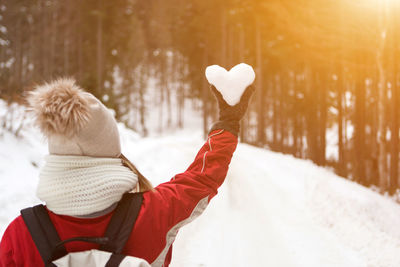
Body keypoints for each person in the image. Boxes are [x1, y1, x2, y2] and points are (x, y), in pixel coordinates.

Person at [0, 78, 254, 267]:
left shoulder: (20, 234)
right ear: (111, 148)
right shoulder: (155, 212)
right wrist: (228, 122)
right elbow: (202, 177)